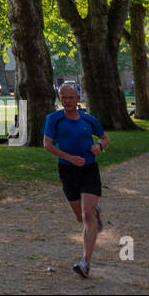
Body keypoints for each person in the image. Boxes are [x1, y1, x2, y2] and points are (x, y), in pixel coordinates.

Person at [43, 82, 110, 279]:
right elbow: (47, 145)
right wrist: (69, 158)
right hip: (67, 171)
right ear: (59, 98)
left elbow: (105, 138)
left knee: (87, 214)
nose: (67, 101)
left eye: (71, 97)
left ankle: (85, 262)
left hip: (89, 170)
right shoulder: (53, 119)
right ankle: (93, 213)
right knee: (81, 218)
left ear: (78, 98)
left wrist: (100, 146)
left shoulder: (89, 120)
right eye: (63, 98)